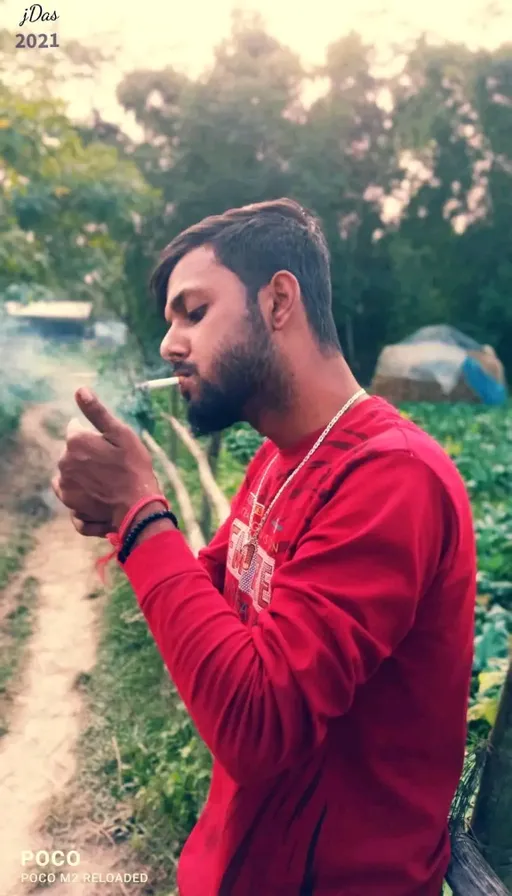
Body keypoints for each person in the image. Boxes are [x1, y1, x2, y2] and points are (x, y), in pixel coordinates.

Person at [52, 198, 476, 896]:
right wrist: (127, 518)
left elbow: (255, 723)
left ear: (279, 300)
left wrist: (139, 515)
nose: (170, 344)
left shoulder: (394, 477)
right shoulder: (282, 459)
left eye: (194, 311)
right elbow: (210, 606)